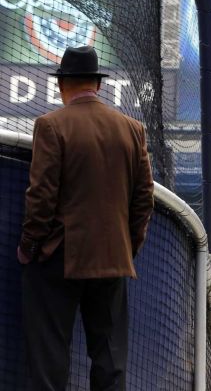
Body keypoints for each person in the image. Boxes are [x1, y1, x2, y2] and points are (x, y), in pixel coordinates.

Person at [18, 46, 154, 390]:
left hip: (59, 256)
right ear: (97, 83)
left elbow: (41, 196)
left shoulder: (50, 125)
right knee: (110, 357)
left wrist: (30, 245)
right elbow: (143, 199)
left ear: (64, 85)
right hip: (112, 258)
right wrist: (128, 247)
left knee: (50, 354)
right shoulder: (132, 128)